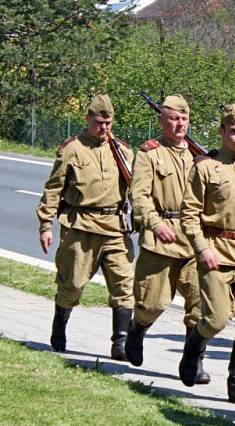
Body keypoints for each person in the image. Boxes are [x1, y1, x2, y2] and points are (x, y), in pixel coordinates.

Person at [36, 94, 135, 360]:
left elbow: (136, 189)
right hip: (81, 227)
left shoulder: (123, 150)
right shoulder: (71, 149)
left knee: (125, 287)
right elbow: (53, 190)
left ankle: (120, 343)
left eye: (109, 123)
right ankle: (60, 325)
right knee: (72, 286)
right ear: (88, 119)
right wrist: (46, 224)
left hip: (115, 227)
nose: (104, 128)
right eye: (99, 122)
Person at [178, 103, 235, 406]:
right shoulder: (205, 167)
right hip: (215, 250)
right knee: (215, 318)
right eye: (234, 131)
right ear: (222, 132)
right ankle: (192, 354)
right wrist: (202, 249)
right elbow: (189, 215)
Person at [123, 94, 208, 383]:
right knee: (153, 303)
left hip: (194, 241)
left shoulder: (200, 157)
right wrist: (154, 223)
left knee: (200, 305)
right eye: (174, 118)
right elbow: (140, 196)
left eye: (184, 118)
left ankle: (193, 361)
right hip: (161, 239)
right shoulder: (150, 153)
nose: (180, 123)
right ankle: (137, 330)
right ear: (162, 120)